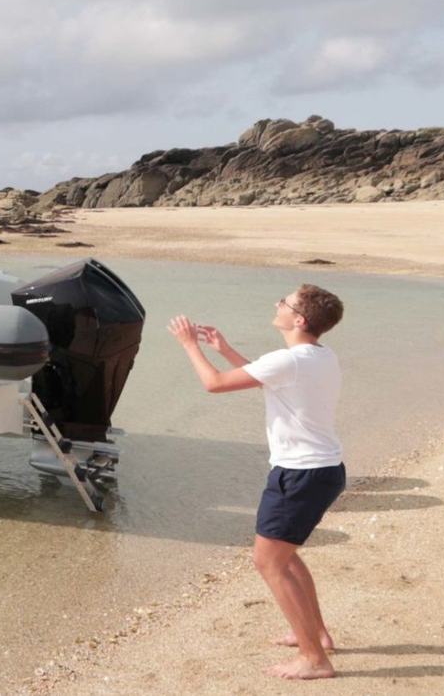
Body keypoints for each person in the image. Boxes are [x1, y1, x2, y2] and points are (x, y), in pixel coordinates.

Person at [167, 284, 346, 681]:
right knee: (286, 556)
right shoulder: (317, 355)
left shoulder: (289, 361)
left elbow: (214, 384)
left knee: (268, 562)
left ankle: (314, 659)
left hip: (300, 473)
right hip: (322, 470)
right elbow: (267, 378)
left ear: (299, 320)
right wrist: (224, 349)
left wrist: (188, 345)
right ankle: (316, 634)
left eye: (284, 302)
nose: (276, 304)